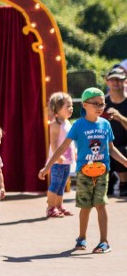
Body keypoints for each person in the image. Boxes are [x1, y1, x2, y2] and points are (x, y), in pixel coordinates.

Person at [39, 87, 127, 254]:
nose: (100, 107)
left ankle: (104, 241)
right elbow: (62, 147)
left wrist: (124, 161)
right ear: (85, 105)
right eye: (96, 103)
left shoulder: (106, 124)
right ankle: (82, 238)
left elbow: (111, 148)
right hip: (84, 172)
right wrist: (48, 166)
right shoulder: (78, 125)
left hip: (102, 172)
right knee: (85, 207)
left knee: (101, 204)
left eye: (102, 103)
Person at [44, 92, 76, 218]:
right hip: (58, 161)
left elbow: (70, 141)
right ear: (58, 108)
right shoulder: (55, 124)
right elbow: (53, 143)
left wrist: (75, 153)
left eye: (71, 105)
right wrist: (58, 156)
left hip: (67, 159)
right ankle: (50, 207)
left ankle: (59, 206)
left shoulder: (67, 122)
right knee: (55, 183)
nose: (71, 108)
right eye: (68, 106)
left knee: (62, 184)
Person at [104, 66, 127, 197]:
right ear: (107, 82)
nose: (116, 83)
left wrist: (120, 117)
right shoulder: (103, 103)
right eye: (113, 80)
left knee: (122, 150)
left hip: (124, 147)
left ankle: (124, 183)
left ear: (124, 81)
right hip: (106, 146)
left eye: (119, 80)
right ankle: (108, 180)